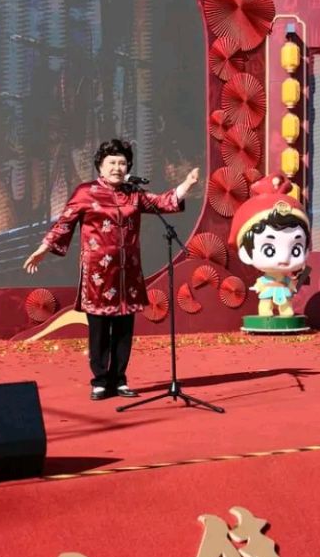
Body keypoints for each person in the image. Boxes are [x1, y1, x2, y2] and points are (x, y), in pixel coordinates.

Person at [23, 139, 199, 400]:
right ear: (100, 166)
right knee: (99, 331)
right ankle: (100, 381)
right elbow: (64, 223)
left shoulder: (133, 193)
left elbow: (162, 202)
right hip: (98, 275)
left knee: (124, 331)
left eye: (122, 163)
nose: (117, 167)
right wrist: (43, 248)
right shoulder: (85, 192)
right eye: (112, 163)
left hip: (128, 273)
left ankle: (119, 379)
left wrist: (187, 184)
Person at [231, 176, 310, 319]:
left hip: (283, 290)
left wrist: (292, 286)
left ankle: (285, 312)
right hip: (268, 290)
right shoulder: (265, 279)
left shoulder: (286, 279)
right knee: (265, 303)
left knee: (285, 304)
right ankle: (266, 312)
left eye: (295, 249)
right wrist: (259, 286)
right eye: (269, 250)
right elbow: (260, 285)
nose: (284, 258)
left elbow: (291, 285)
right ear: (245, 253)